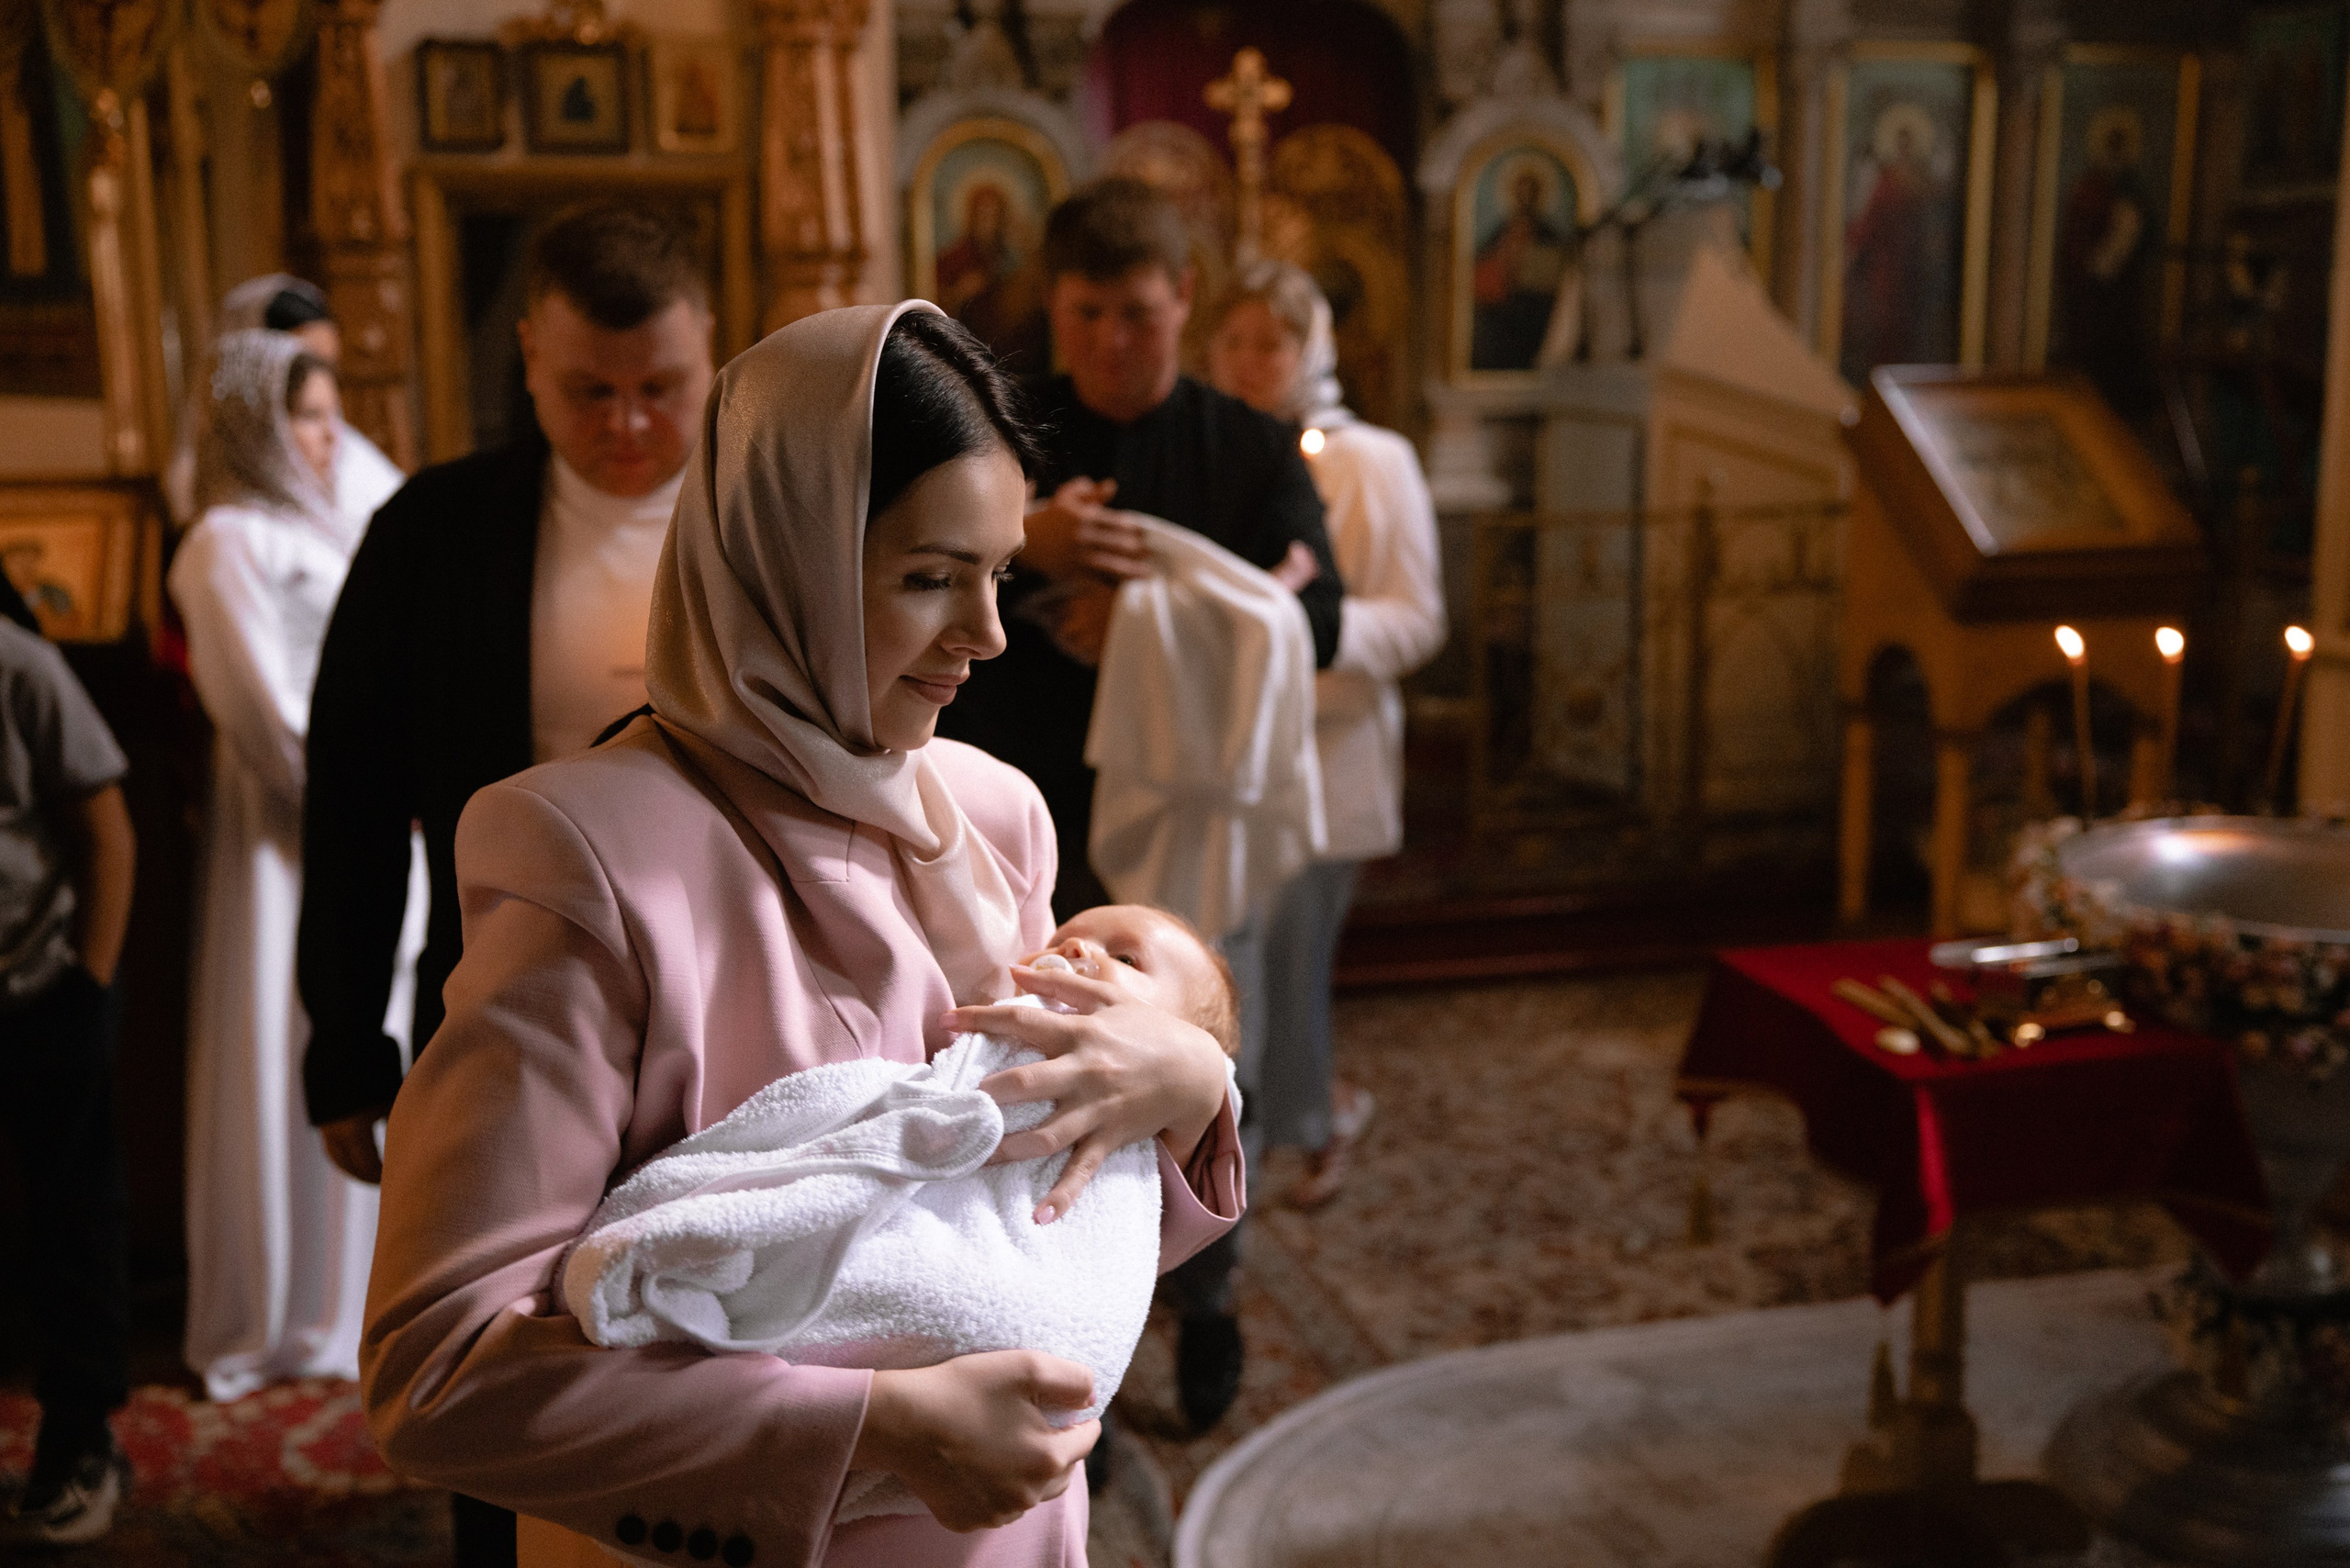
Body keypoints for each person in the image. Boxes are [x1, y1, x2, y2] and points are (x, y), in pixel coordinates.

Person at [359, 302, 1242, 1568]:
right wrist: (875, 1428)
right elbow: (439, 1370)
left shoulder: (999, 814)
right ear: (788, 562)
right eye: (931, 578)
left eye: (1000, 572)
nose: (988, 636)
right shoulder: (584, 853)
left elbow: (1044, 1223)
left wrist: (1189, 1083)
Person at [298, 201, 719, 1568]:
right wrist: (346, 1045)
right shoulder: (434, 530)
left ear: (712, 350)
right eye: (586, 390)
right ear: (527, 353)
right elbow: (354, 800)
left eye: (662, 388)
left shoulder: (766, 523)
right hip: (502, 999)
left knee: (722, 1343)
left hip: (729, 1011)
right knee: (504, 1343)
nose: (628, 425)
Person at [935, 174, 1341, 1433]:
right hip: (1026, 815)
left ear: (1184, 304)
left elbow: (1316, 623)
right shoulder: (1004, 442)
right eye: (1090, 312)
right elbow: (917, 571)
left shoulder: (1252, 448)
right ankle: (1065, 1346)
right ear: (1056, 308)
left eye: (1144, 314)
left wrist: (1161, 630)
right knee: (1038, 1084)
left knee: (1209, 1065)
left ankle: (1207, 1296)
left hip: (1190, 832)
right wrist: (1026, 543)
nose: (1117, 340)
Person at [559, 902, 1240, 1528]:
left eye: (1126, 961)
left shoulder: (1158, 1116)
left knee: (1012, 1324)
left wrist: (1199, 1074)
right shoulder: (994, 1040)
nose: (1082, 950)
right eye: (1067, 939)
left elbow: (1133, 1230)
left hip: (1028, 1380)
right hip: (827, 1389)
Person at [170, 331, 394, 1403]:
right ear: (258, 423)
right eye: (307, 416)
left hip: (361, 828)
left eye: (331, 411)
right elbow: (263, 711)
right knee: (285, 1043)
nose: (327, 436)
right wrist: (365, 797)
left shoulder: (328, 522)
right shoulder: (223, 542)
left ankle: (362, 1296)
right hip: (286, 836)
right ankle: (284, 1311)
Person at [1206, 261, 1447, 1209]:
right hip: (1217, 758)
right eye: (1235, 341)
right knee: (1227, 961)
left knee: (1289, 957)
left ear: (1314, 348)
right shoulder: (1209, 448)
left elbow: (1419, 619)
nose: (1252, 361)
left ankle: (1290, 1129)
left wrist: (1300, 632)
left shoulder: (1370, 461)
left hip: (1324, 750)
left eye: (1272, 341)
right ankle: (1252, 1127)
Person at [0, 618, 136, 1549]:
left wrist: (87, 987)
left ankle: (80, 1442)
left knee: (70, 1221)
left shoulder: (18, 662)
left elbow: (105, 830)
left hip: (33, 989)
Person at [163, 274, 407, 529]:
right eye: (302, 358)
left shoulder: (346, 450)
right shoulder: (227, 522)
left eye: (328, 363)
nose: (318, 373)